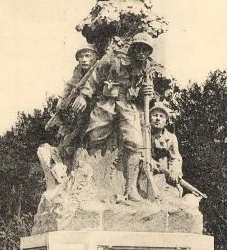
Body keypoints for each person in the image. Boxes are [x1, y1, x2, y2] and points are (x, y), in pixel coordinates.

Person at [70, 32, 156, 201]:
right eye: (138, 48)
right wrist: (83, 96)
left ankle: (131, 189)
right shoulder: (112, 60)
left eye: (145, 50)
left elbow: (145, 94)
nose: (141, 53)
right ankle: (86, 183)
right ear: (132, 48)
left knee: (135, 143)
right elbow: (94, 79)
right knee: (94, 135)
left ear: (148, 53)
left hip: (128, 104)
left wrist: (149, 93)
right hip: (107, 102)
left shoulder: (146, 68)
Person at [46, 44, 99, 162]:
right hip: (80, 108)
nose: (84, 59)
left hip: (96, 104)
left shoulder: (99, 68)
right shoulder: (78, 70)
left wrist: (84, 96)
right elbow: (71, 84)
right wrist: (63, 99)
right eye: (81, 56)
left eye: (87, 55)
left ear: (95, 57)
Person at [149, 102, 183, 197]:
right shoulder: (144, 135)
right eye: (154, 115)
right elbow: (140, 153)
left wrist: (175, 172)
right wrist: (151, 162)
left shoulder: (171, 138)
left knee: (175, 192)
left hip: (166, 174)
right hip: (148, 173)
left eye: (161, 116)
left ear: (166, 121)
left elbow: (175, 158)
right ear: (149, 119)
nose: (157, 118)